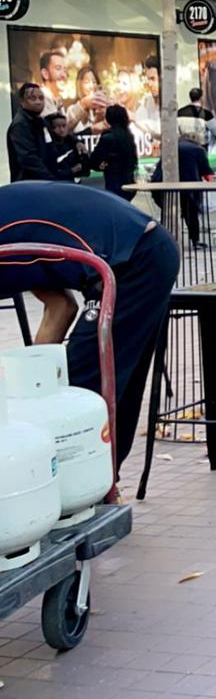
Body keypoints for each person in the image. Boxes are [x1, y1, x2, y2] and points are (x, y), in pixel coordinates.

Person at [0, 182, 180, 478]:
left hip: (133, 258)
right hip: (141, 249)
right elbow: (60, 306)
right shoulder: (17, 237)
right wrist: (35, 377)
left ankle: (83, 488)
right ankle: (103, 483)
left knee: (81, 389)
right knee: (106, 382)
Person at [149, 126, 216, 247]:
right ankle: (195, 241)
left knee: (168, 212)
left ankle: (167, 241)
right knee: (191, 214)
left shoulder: (171, 148)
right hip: (188, 187)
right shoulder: (198, 150)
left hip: (163, 186)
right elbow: (208, 175)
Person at [8, 82, 73, 182]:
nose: (38, 102)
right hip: (31, 185)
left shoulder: (41, 121)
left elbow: (59, 136)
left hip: (46, 182)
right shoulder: (20, 124)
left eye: (41, 98)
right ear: (22, 101)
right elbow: (29, 159)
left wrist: (76, 142)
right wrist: (50, 179)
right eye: (32, 98)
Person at [88, 105, 139, 200]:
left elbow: (94, 161)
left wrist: (104, 166)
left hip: (114, 182)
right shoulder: (129, 136)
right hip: (129, 181)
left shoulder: (107, 137)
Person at [43, 113, 86, 179]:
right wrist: (71, 171)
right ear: (49, 128)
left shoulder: (73, 143)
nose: (62, 130)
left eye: (64, 126)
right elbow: (50, 173)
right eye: (56, 127)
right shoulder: (46, 147)